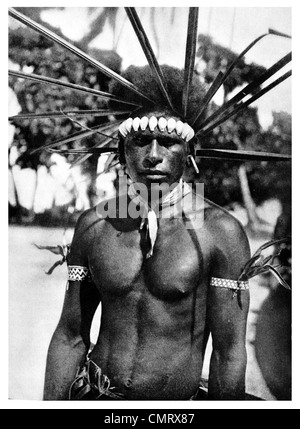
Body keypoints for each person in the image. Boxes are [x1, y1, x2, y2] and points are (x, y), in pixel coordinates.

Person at [43, 66, 250, 401]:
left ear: (190, 153)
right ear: (122, 152)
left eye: (168, 142)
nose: (153, 155)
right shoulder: (95, 224)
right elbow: (70, 336)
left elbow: (228, 353)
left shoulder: (220, 232)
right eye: (140, 141)